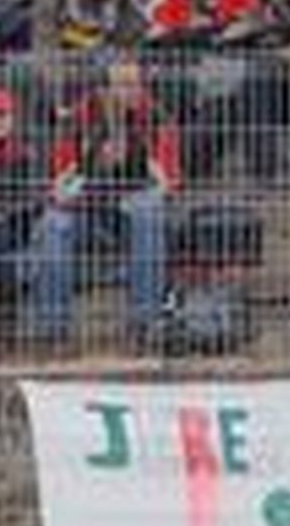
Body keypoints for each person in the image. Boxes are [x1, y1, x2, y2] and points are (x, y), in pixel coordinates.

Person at [29, 54, 181, 346]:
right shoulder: (78, 118)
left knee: (147, 210)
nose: (132, 91)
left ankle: (144, 324)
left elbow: (168, 183)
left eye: (136, 84)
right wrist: (89, 169)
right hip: (88, 210)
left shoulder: (158, 116)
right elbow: (58, 185)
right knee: (53, 224)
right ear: (104, 89)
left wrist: (143, 162)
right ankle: (53, 330)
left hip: (133, 212)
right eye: (123, 84)